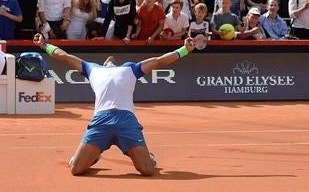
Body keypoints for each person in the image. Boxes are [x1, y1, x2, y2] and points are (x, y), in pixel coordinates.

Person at [32, 33, 196, 176]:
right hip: (101, 121)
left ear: (116, 64)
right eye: (107, 61)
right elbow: (65, 57)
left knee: (147, 170)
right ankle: (94, 155)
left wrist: (184, 50)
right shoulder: (91, 69)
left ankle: (147, 156)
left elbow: (159, 61)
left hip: (126, 121)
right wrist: (45, 45)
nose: (110, 61)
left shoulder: (130, 69)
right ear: (104, 64)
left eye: (112, 60)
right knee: (75, 168)